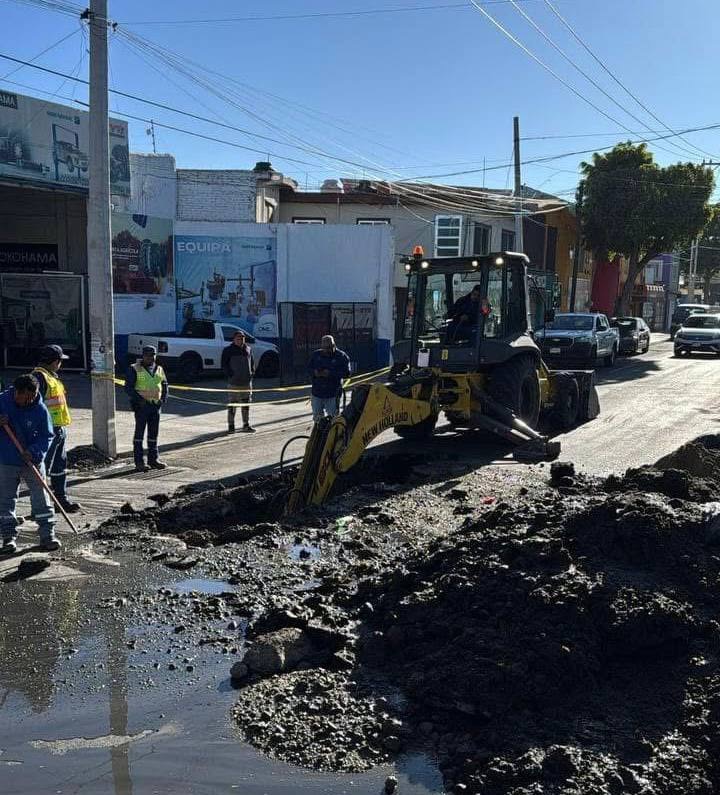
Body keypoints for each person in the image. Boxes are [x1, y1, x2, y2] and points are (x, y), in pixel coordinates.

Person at [0, 374, 59, 554]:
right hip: (6, 459)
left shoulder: (40, 410)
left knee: (41, 498)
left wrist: (34, 452)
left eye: (32, 397)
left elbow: (47, 436)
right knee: (5, 500)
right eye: (25, 397)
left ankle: (47, 535)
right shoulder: (2, 402)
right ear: (16, 392)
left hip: (31, 461)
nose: (28, 401)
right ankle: (8, 538)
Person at [32, 344, 80, 513]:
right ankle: (40, 505)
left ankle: (61, 499)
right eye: (60, 361)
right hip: (47, 432)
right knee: (43, 468)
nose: (61, 364)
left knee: (59, 467)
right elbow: (33, 407)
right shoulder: (39, 378)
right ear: (54, 361)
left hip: (58, 429)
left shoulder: (51, 377)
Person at [125, 345, 168, 472]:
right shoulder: (134, 369)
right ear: (142, 356)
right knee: (139, 435)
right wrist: (140, 401)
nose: (150, 358)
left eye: (152, 355)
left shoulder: (159, 368)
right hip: (141, 407)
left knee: (153, 434)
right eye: (147, 355)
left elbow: (165, 384)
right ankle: (139, 462)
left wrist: (163, 399)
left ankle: (153, 460)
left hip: (155, 406)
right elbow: (128, 388)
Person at [308, 334, 351, 423]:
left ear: (334, 345)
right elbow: (308, 369)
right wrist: (314, 373)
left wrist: (331, 374)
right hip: (317, 392)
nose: (326, 350)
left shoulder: (341, 356)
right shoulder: (316, 355)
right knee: (317, 418)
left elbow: (347, 373)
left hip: (333, 393)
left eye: (329, 347)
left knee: (334, 419)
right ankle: (320, 434)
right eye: (324, 348)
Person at [221, 329, 256, 433]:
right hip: (234, 383)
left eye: (242, 337)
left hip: (246, 383)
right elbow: (224, 365)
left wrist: (251, 373)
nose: (241, 339)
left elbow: (252, 363)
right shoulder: (228, 350)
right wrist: (230, 375)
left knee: (246, 404)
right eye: (238, 338)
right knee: (233, 404)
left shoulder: (248, 349)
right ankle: (231, 425)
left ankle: (246, 425)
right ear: (234, 339)